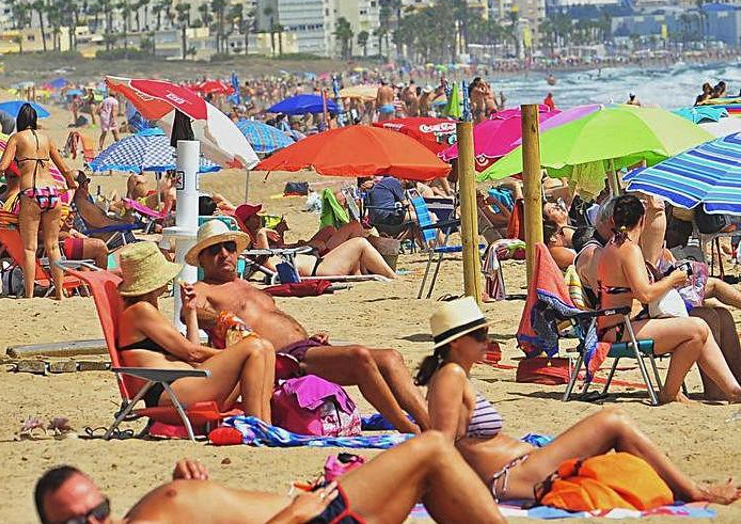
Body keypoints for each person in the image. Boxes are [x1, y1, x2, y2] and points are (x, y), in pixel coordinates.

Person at [421, 297, 741, 505]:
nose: (487, 342)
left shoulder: (454, 374)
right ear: (458, 343)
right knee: (612, 421)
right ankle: (696, 492)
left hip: (519, 467)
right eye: (480, 335)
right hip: (512, 476)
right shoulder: (450, 376)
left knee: (615, 437)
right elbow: (442, 446)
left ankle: (687, 488)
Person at [190, 221, 427, 433]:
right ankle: (409, 430)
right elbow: (190, 312)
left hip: (307, 347)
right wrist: (225, 319)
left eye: (229, 248)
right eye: (214, 250)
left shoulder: (248, 286)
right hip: (283, 360)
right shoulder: (204, 288)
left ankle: (428, 423)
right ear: (201, 259)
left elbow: (274, 319)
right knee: (359, 356)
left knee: (391, 357)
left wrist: (307, 336)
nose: (224, 254)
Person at [34, 432, 505, 524]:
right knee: (433, 451)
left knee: (432, 468)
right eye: (76, 523)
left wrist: (194, 489)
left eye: (97, 509)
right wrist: (294, 515)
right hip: (316, 517)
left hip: (313, 510)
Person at [595, 195, 741, 404]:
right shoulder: (628, 250)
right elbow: (644, 294)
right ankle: (669, 393)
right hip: (618, 330)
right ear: (642, 220)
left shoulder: (612, 247)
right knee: (697, 327)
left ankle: (733, 390)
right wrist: (672, 279)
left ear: (613, 221)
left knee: (698, 330)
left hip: (614, 325)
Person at [117, 241, 274, 422]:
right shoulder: (141, 310)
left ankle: (265, 425)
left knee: (264, 347)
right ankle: (259, 426)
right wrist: (232, 356)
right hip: (170, 392)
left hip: (184, 386)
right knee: (254, 347)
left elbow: (190, 350)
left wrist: (190, 311)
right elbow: (192, 353)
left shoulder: (145, 309)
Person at [0, 104, 78, 299]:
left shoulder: (17, 138)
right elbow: (64, 168)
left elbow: (2, 166)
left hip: (31, 193)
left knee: (29, 248)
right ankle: (60, 294)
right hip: (52, 193)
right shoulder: (46, 139)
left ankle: (29, 294)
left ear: (20, 121)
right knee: (52, 246)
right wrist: (72, 184)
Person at [234, 205, 397, 279]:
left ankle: (366, 274)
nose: (259, 218)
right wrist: (262, 233)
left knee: (348, 238)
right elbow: (265, 256)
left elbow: (269, 254)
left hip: (320, 264)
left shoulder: (261, 254)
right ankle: (392, 277)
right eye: (254, 216)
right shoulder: (261, 255)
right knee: (359, 242)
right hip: (320, 269)